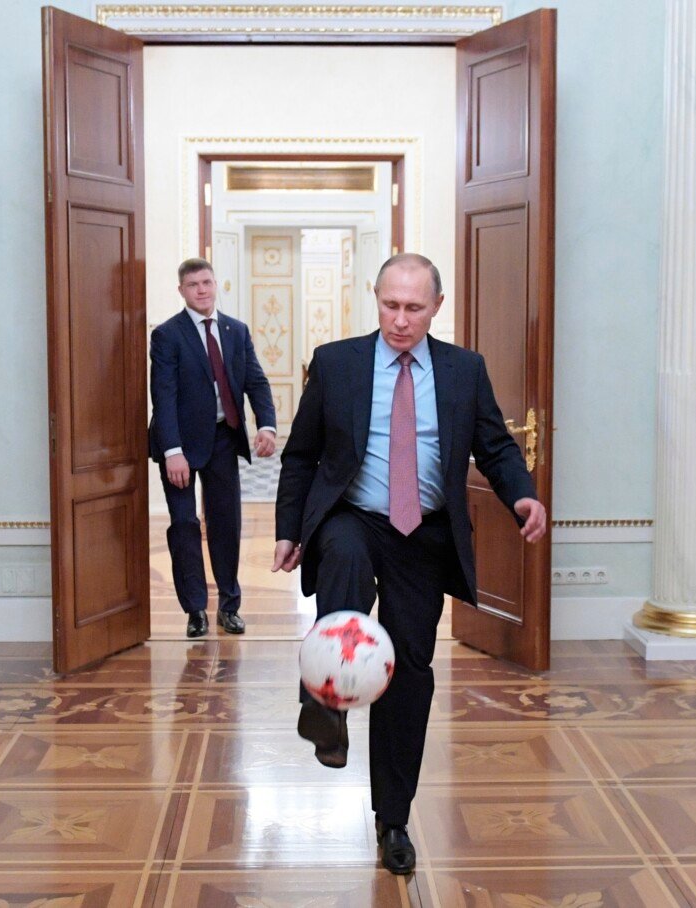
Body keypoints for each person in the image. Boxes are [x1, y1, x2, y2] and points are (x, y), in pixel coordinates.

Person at [271, 252, 547, 875]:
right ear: (377, 298)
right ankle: (327, 700)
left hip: (422, 533)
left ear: (436, 308)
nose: (399, 320)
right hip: (355, 515)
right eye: (389, 305)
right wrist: (290, 532)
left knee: (411, 671)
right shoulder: (337, 362)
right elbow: (300, 456)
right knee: (340, 553)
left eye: (413, 308)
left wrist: (522, 493)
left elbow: (496, 446)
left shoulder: (463, 370)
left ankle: (392, 818)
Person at [149, 257, 277, 638]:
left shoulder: (235, 331)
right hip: (181, 445)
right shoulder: (167, 335)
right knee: (186, 525)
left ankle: (229, 605)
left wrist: (266, 425)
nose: (201, 290)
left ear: (215, 284)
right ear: (181, 291)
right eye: (193, 285)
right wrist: (172, 451)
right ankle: (195, 611)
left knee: (226, 523)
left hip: (223, 437)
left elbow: (256, 381)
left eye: (206, 282)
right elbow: (164, 396)